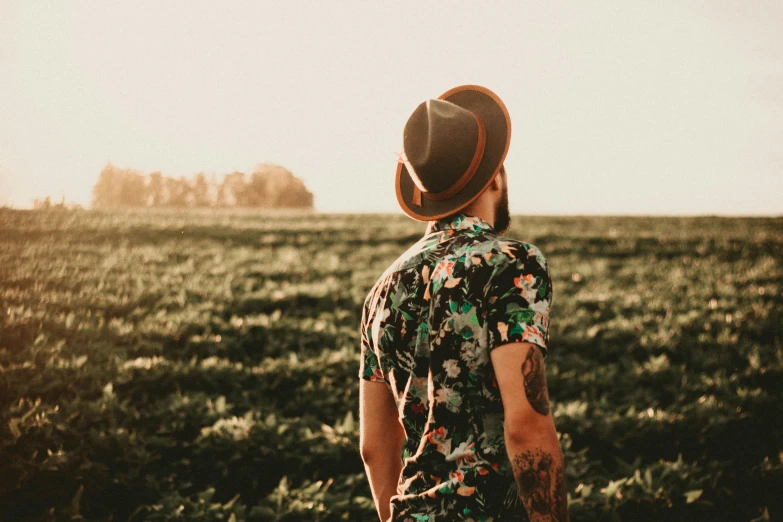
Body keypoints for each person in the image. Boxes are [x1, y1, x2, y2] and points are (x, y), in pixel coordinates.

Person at [358, 85, 568, 521]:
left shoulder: (383, 289)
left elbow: (375, 449)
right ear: (495, 176)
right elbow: (526, 425)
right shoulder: (512, 264)